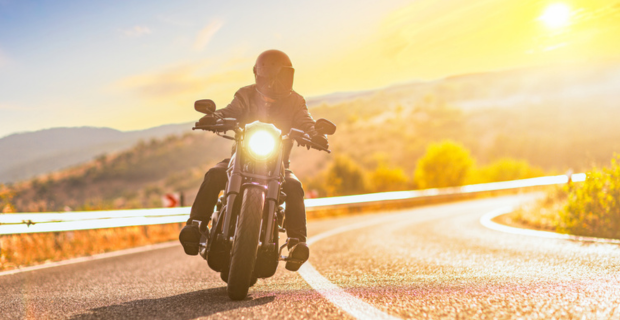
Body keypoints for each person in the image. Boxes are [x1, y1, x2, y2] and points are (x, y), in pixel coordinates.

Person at [179, 49, 328, 271]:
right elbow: (231, 110)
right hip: (240, 161)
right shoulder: (246, 95)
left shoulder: (296, 101)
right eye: (275, 76)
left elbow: (305, 120)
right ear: (262, 75)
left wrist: (316, 132)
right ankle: (197, 225)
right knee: (214, 174)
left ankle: (296, 242)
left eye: (283, 76)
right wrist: (215, 116)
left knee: (294, 186)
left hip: (277, 166)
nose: (278, 82)